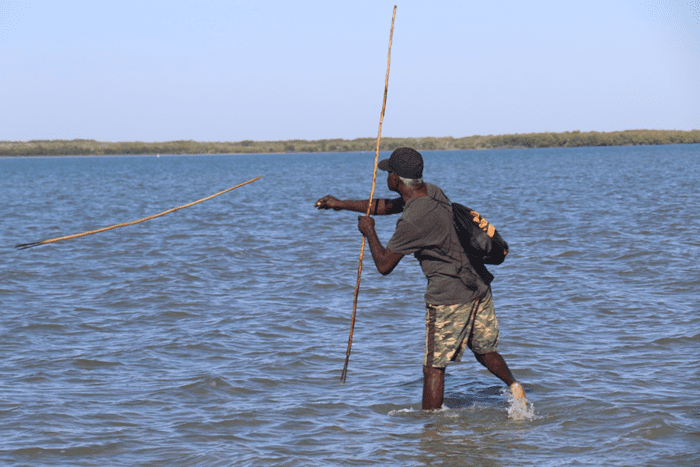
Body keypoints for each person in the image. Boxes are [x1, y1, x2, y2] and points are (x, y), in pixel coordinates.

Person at [315, 147, 526, 410]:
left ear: (396, 178)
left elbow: (384, 265)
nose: (386, 177)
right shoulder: (431, 192)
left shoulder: (413, 222)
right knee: (484, 349)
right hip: (478, 286)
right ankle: (515, 386)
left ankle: (431, 430)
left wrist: (369, 232)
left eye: (388, 172)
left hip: (449, 296)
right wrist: (340, 204)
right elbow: (388, 206)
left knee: (433, 369)